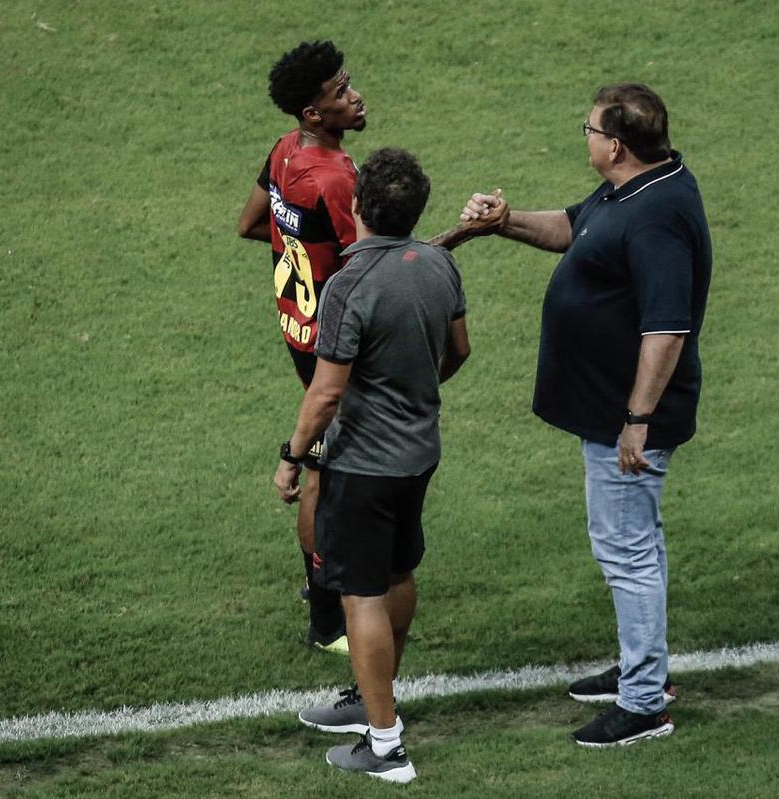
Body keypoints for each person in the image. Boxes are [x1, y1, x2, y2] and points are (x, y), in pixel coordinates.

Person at [435, 83, 711, 748]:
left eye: (588, 128)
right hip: (609, 407)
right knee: (637, 539)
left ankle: (644, 700)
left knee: (627, 550)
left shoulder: (658, 216)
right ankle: (644, 667)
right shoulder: (636, 187)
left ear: (615, 145)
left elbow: (667, 329)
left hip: (628, 416)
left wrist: (637, 418)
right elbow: (574, 227)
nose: (583, 135)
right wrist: (502, 222)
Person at [274, 147, 470, 783]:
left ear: (357, 208)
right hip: (418, 453)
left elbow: (326, 392)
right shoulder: (438, 263)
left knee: (360, 591)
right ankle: (372, 696)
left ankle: (385, 746)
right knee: (397, 572)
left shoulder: (348, 285)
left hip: (363, 465)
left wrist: (292, 458)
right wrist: (411, 390)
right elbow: (459, 349)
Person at [237, 41, 368, 654]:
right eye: (340, 93)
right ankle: (325, 617)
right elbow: (375, 264)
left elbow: (250, 224)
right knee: (322, 469)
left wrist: (298, 246)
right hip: (331, 345)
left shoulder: (285, 149)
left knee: (327, 463)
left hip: (297, 327)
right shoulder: (338, 178)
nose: (354, 95)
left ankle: (318, 585)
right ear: (314, 114)